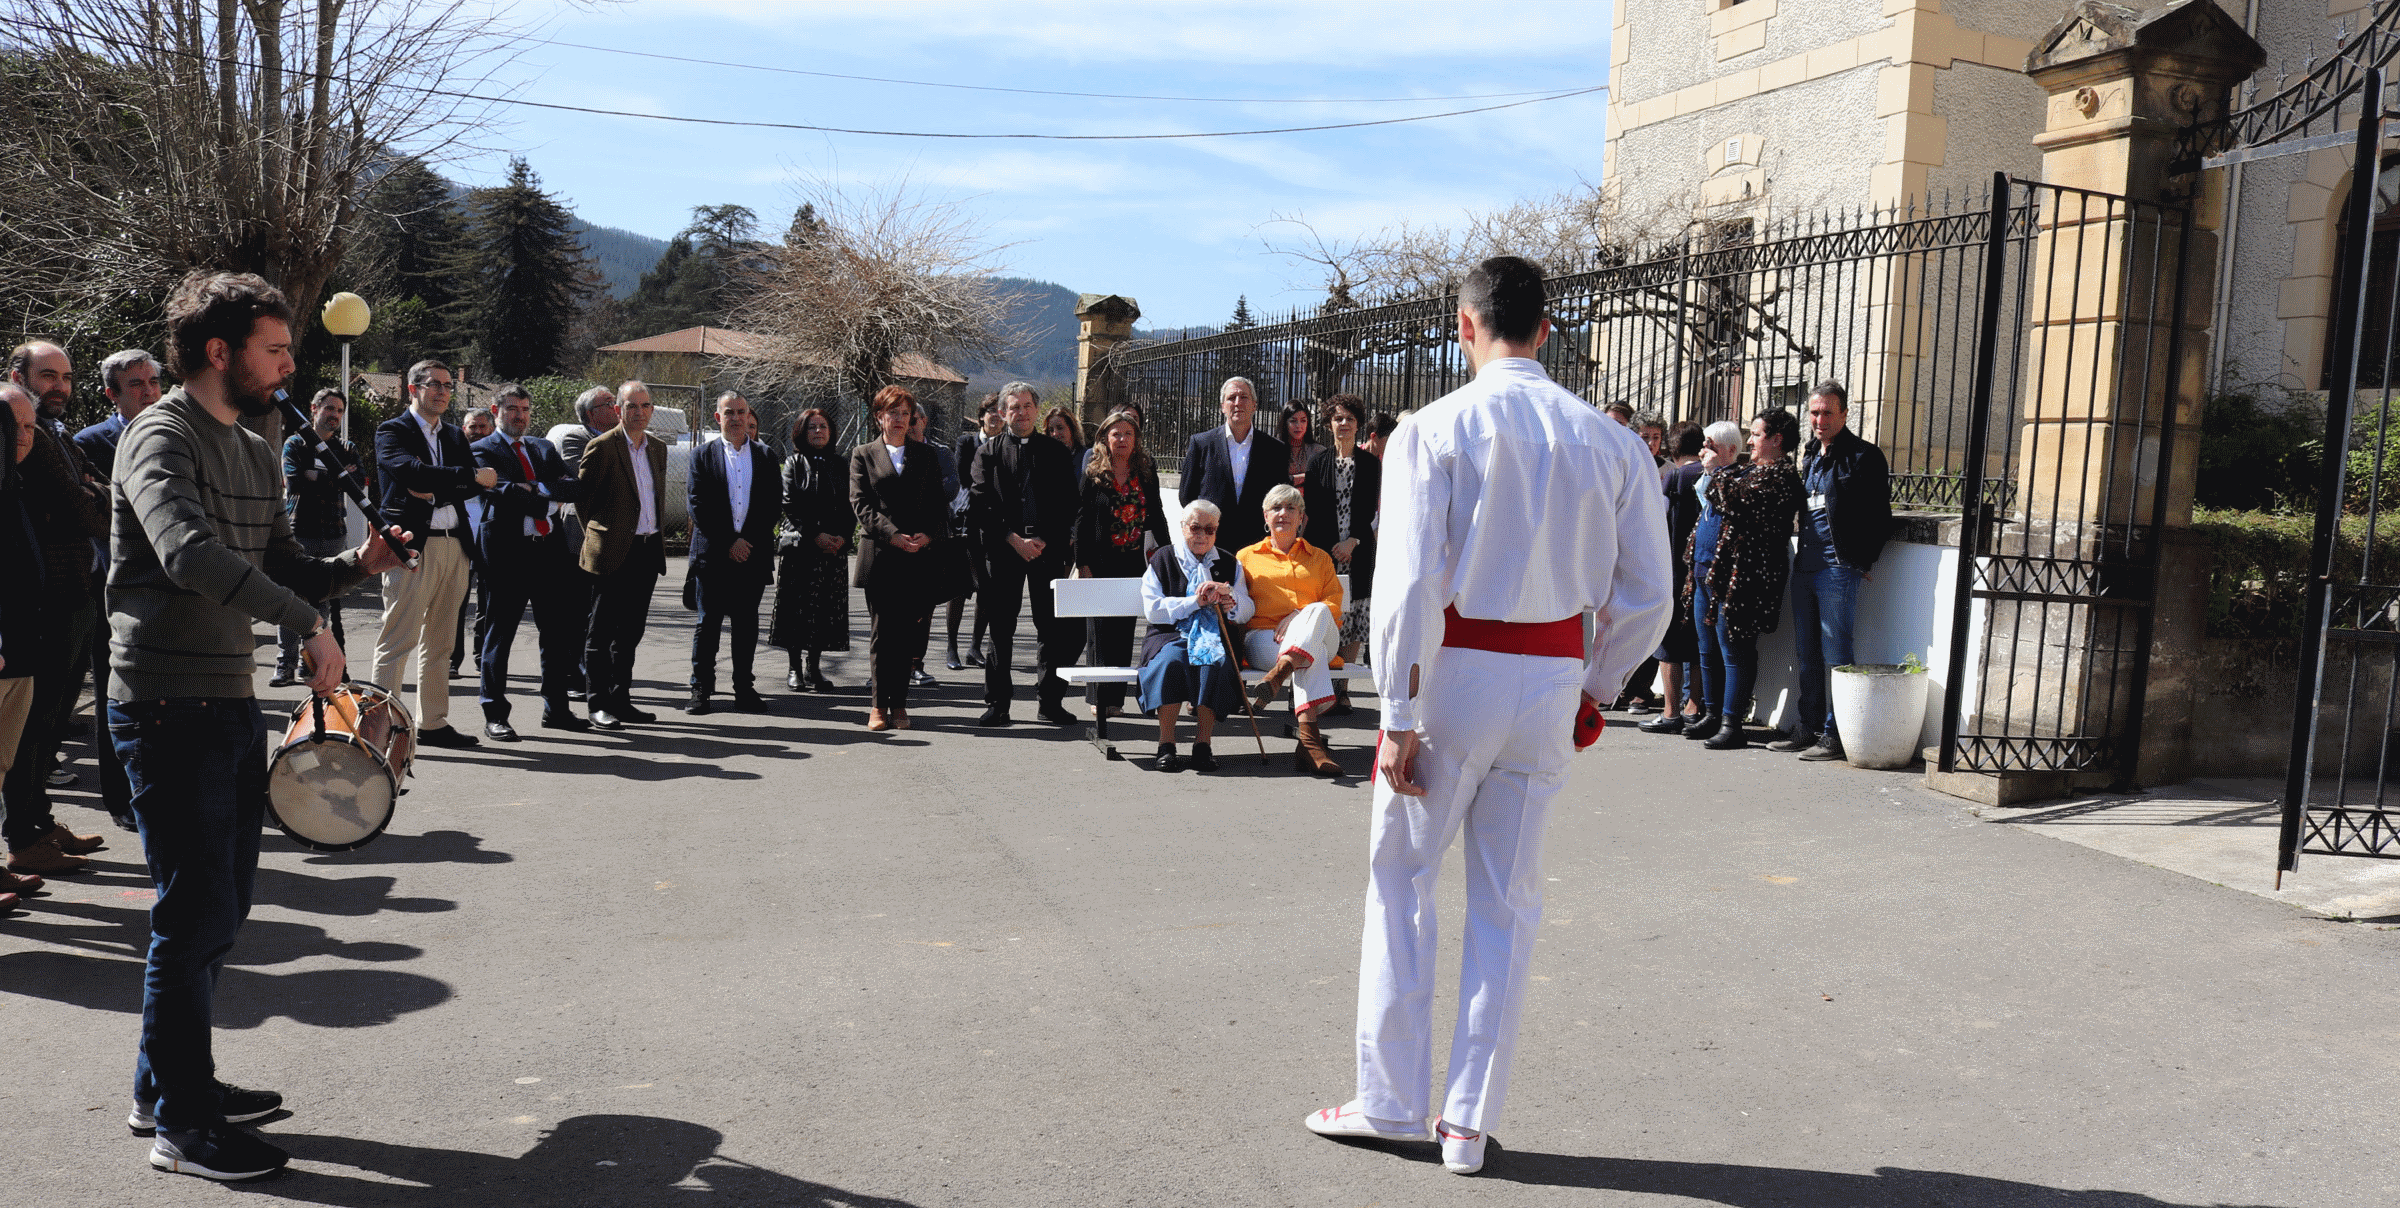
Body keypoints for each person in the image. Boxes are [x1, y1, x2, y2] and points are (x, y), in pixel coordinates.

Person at [1305, 257, 1672, 1177]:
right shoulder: (1611, 442)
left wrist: (1396, 708)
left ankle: (1391, 1101)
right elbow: (1651, 594)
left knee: (1403, 877)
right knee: (1508, 900)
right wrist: (1597, 686)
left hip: (1456, 672)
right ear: (1544, 329)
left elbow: (1407, 587)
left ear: (1463, 328)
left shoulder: (1432, 431)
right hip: (1550, 675)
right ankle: (1467, 1123)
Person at [107, 270, 409, 1180]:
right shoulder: (157, 435)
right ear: (218, 351)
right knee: (191, 913)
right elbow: (188, 554)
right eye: (274, 351)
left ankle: (163, 1087)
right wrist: (307, 623)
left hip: (225, 697)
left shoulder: (252, 439)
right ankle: (184, 1130)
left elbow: (276, 559)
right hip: (163, 701)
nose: (287, 367)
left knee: (224, 906)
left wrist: (356, 566)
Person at [3, 344, 109, 876]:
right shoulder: (29, 435)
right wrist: (89, 496)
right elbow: (80, 506)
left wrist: (91, 495)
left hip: (79, 594)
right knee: (31, 726)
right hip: (45, 605)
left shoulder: (60, 433)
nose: (60, 387)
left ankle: (41, 822)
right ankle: (24, 834)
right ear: (18, 376)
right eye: (48, 376)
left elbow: (104, 498)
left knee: (52, 723)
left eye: (66, 377)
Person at [370, 359, 497, 749]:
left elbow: (465, 486)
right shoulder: (391, 431)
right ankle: (379, 729)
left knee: (441, 642)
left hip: (454, 545)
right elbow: (411, 472)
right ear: (413, 389)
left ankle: (433, 722)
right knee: (398, 640)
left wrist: (438, 485)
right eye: (433, 385)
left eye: (446, 385)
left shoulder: (455, 437)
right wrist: (463, 477)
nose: (442, 392)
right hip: (410, 546)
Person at [1774, 380, 1894, 762]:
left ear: (1844, 413)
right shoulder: (1810, 454)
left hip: (1838, 567)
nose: (1819, 419)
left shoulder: (1863, 456)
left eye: (1827, 412)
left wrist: (1863, 561)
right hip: (1806, 563)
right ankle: (1807, 726)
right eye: (1813, 412)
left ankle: (1836, 734)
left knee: (1836, 654)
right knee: (1806, 652)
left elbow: (1880, 516)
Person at [1683, 410, 1803, 751]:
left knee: (1734, 648)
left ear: (1777, 439)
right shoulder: (1749, 470)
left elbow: (1735, 498)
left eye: (1757, 434)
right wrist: (1722, 477)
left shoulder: (1781, 476)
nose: (1750, 440)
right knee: (1708, 646)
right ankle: (1712, 711)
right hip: (1714, 571)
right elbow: (1718, 493)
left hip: (1747, 578)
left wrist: (1721, 475)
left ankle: (1732, 722)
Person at [470, 386, 583, 738]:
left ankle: (557, 708)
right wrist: (542, 493)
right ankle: (495, 714)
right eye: (512, 409)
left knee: (556, 634)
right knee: (499, 634)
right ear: (496, 410)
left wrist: (536, 489)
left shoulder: (544, 447)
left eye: (525, 409)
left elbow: (574, 488)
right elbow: (499, 492)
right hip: (507, 554)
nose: (520, 415)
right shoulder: (480, 449)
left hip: (548, 551)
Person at [968, 382, 1081, 728]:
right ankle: (998, 704)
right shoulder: (988, 453)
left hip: (1046, 550)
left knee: (1051, 629)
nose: (1022, 412)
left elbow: (1068, 503)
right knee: (1001, 628)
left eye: (1028, 406)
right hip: (1004, 551)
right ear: (1002, 413)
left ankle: (1049, 702)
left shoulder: (1055, 451)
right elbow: (981, 502)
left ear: (1036, 409)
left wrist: (1047, 540)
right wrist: (1012, 539)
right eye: (1014, 407)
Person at [851, 385, 957, 732]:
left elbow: (939, 505)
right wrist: (892, 534)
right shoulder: (863, 454)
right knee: (884, 633)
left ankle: (901, 705)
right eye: (891, 412)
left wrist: (929, 534)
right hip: (882, 555)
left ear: (912, 418)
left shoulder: (924, 456)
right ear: (879, 417)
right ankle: (879, 706)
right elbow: (861, 504)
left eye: (904, 413)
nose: (898, 419)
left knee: (907, 638)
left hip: (917, 555)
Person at [1236, 484, 1346, 776]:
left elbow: (1334, 602)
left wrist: (1299, 615)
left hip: (1322, 631)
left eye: (1291, 508)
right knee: (1313, 654)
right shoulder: (1245, 558)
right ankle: (1310, 746)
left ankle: (1280, 673)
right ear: (1265, 516)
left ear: (1301, 518)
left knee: (1319, 609)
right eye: (1276, 508)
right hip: (1265, 639)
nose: (1283, 514)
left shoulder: (1319, 558)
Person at [1136, 500, 1253, 773]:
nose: (1202, 536)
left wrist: (1230, 600)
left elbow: (1248, 608)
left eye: (1209, 530)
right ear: (1183, 527)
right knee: (1172, 662)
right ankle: (1166, 744)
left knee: (1214, 662)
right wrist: (1195, 602)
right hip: (1169, 635)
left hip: (1214, 635)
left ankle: (1203, 744)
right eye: (1195, 528)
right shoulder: (1163, 559)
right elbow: (1154, 610)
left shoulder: (1228, 562)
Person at [578, 382, 669, 731]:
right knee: (600, 632)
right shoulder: (601, 447)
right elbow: (584, 500)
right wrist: (604, 535)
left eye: (645, 406)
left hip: (647, 550)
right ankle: (598, 704)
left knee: (631, 632)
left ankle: (621, 699)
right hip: (614, 552)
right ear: (618, 410)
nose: (639, 412)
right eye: (632, 406)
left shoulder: (657, 449)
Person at [687, 392, 780, 715]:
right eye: (730, 412)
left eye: (742, 412)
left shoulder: (766, 456)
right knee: (708, 624)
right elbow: (697, 504)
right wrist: (730, 541)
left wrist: (746, 542)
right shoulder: (702, 455)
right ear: (718, 417)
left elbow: (771, 506)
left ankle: (744, 689)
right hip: (713, 556)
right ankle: (700, 689)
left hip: (751, 557)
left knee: (745, 625)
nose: (737, 418)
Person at [1073, 409, 1168, 721]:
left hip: (1133, 561)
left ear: (1136, 438)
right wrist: (1083, 563)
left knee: (1124, 629)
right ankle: (1098, 696)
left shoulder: (1145, 471)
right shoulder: (1094, 473)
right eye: (1117, 434)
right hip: (1100, 562)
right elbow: (1082, 521)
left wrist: (1167, 557)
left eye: (1128, 434)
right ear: (1105, 438)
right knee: (1100, 630)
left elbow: (1156, 513)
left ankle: (1115, 698)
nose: (1123, 439)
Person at [271, 389, 358, 688]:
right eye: (329, 408)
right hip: (299, 531)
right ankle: (285, 664)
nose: (334, 415)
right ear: (314, 408)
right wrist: (336, 477)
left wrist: (316, 477)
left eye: (339, 411)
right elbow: (294, 482)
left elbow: (356, 484)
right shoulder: (296, 444)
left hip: (333, 533)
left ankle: (310, 665)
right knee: (291, 599)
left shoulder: (346, 448)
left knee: (322, 604)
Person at [1302, 393, 1379, 715]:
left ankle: (1343, 689)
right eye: (1337, 418)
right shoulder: (1317, 462)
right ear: (1328, 423)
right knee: (1330, 616)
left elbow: (1371, 513)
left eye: (1349, 418)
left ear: (1358, 424)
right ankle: (1324, 688)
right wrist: (1324, 549)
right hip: (1324, 553)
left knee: (1354, 616)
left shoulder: (1371, 464)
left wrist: (1353, 541)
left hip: (1359, 552)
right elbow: (1314, 511)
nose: (1343, 423)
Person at [0, 385, 47, 912]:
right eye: (9, 427)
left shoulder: (15, 481)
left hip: (22, 649)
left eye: (27, 427)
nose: (19, 438)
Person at [769, 408, 852, 693]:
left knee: (824, 611)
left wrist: (841, 536)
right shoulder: (793, 463)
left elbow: (851, 505)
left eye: (823, 427)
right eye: (812, 427)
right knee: (797, 610)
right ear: (802, 432)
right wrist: (816, 535)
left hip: (833, 551)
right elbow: (790, 504)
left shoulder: (841, 465)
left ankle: (814, 667)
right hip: (801, 550)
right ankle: (794, 668)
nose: (818, 431)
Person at [1640, 421, 1710, 735]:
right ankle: (1694, 707)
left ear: (1673, 446)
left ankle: (1670, 713)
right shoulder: (1711, 476)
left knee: (1668, 644)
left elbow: (1658, 525)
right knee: (1697, 641)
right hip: (1703, 570)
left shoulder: (1674, 478)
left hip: (1672, 570)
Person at [556, 386, 617, 705]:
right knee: (577, 613)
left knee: (603, 614)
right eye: (609, 404)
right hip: (580, 539)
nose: (617, 407)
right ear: (592, 413)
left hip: (615, 540)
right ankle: (574, 676)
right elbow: (588, 484)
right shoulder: (575, 438)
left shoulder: (624, 438)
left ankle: (598, 675)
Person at [1178, 376, 1288, 552]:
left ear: (1254, 405)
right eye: (1231, 398)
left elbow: (1281, 496)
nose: (1237, 403)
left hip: (1258, 542)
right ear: (1222, 406)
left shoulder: (1275, 449)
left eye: (1244, 397)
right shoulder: (1201, 443)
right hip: (1212, 542)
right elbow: (1187, 496)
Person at [946, 394, 1004, 670]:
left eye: (1000, 411)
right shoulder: (966, 442)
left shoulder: (1008, 444)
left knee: (988, 589)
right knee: (959, 587)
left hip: (994, 526)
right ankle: (952, 648)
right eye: (991, 411)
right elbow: (963, 478)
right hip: (967, 523)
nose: (996, 415)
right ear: (981, 416)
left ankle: (974, 647)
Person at [910, 403, 957, 688]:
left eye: (913, 418)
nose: (909, 423)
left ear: (924, 421)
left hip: (930, 538)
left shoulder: (942, 453)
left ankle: (916, 664)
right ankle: (885, 666)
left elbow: (951, 487)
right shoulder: (892, 454)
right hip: (895, 539)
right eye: (902, 417)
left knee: (923, 607)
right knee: (889, 610)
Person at [75, 348, 165, 480]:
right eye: (137, 384)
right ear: (112, 394)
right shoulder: (88, 445)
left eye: (154, 382)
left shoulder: (181, 431)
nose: (149, 391)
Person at [1280, 402, 1316, 488]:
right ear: (1285, 423)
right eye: (1293, 421)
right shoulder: (1273, 449)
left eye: (1303, 420)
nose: (1298, 425)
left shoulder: (1319, 451)